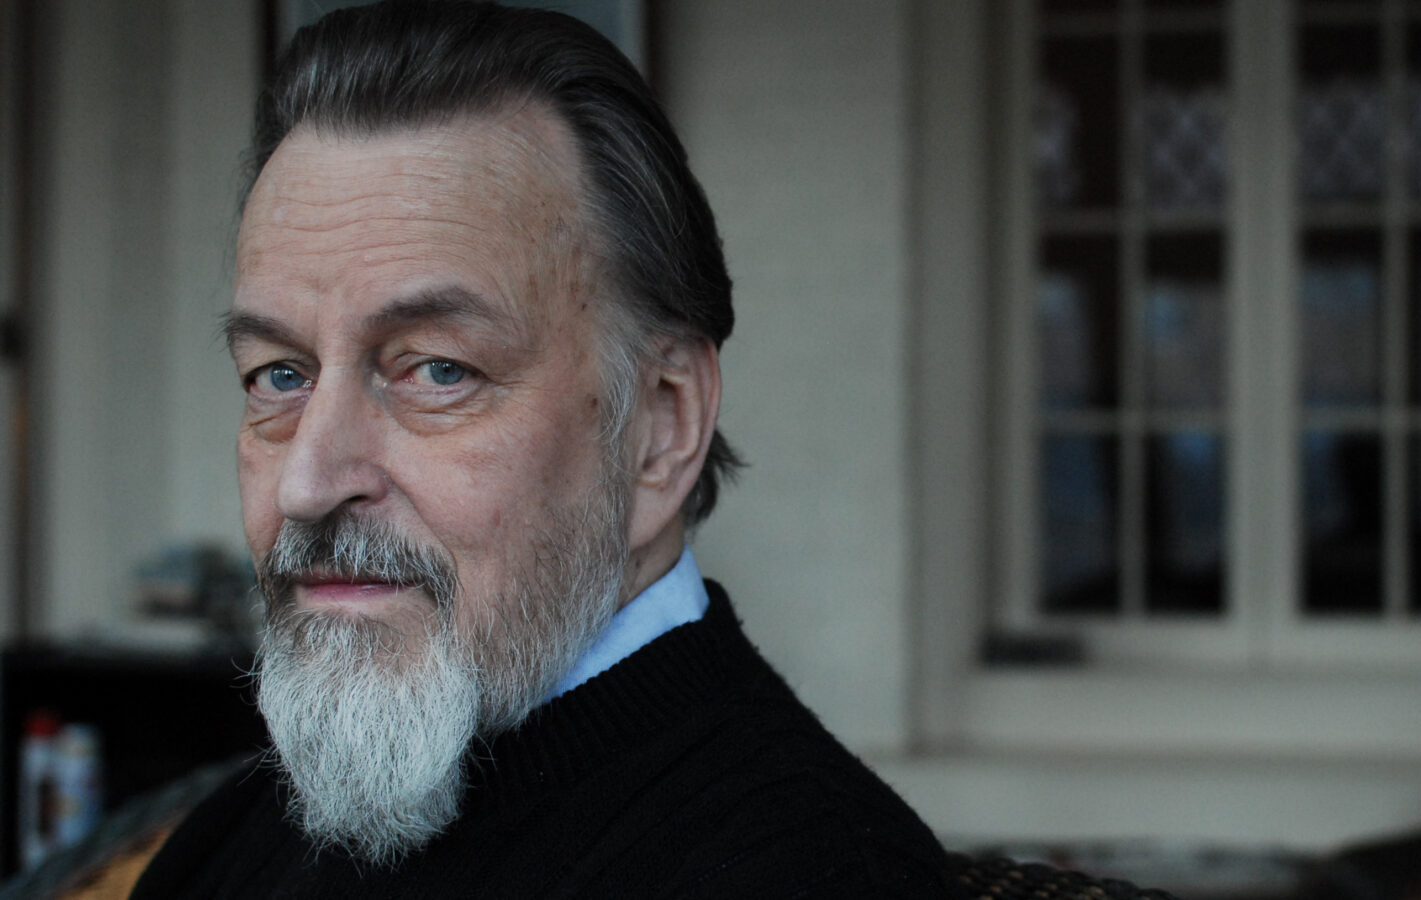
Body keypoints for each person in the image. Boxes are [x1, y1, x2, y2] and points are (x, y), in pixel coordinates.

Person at [129, 2, 954, 897]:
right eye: (280, 376)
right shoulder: (224, 849)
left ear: (662, 427)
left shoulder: (808, 870)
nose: (307, 482)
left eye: (436, 369)